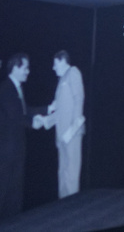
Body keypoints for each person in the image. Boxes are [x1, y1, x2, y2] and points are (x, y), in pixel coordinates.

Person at [0, 54, 42, 226]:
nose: (28, 72)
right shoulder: (5, 89)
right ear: (15, 68)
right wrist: (34, 123)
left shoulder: (17, 88)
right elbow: (17, 116)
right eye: (25, 68)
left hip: (15, 152)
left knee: (14, 198)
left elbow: (24, 110)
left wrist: (47, 109)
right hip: (3, 155)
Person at [40, 50, 85, 198]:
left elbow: (79, 99)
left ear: (62, 61)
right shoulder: (61, 81)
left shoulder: (73, 72)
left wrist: (73, 128)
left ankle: (72, 209)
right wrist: (45, 121)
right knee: (63, 173)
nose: (53, 68)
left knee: (71, 174)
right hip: (61, 135)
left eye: (55, 64)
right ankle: (62, 207)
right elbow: (60, 110)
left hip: (71, 133)